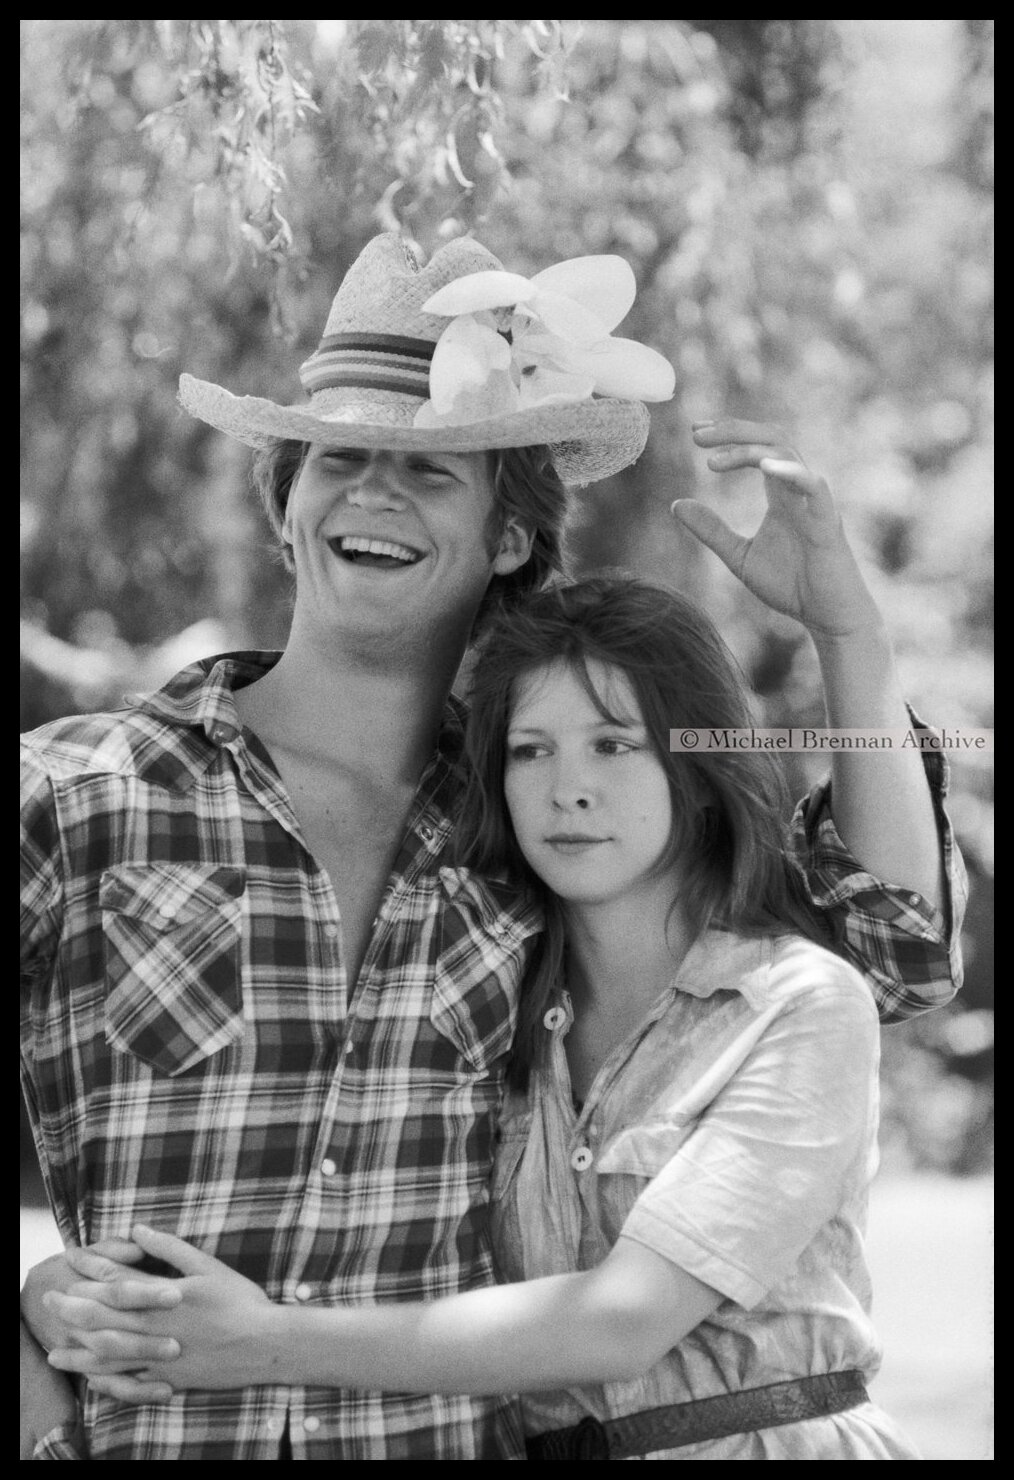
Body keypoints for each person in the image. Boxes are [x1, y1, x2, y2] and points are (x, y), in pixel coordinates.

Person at [20, 232, 965, 1460]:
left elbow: (895, 950)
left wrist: (850, 635)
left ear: (512, 537)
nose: (371, 491)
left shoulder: (536, 822)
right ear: (286, 503)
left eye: (431, 471)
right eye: (339, 458)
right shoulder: (73, 793)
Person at [36, 575, 927, 1458]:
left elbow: (622, 1321)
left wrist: (260, 1338)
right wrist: (58, 1301)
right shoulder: (499, 992)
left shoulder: (794, 1002)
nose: (566, 788)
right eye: (531, 750)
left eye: (615, 745)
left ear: (694, 771)